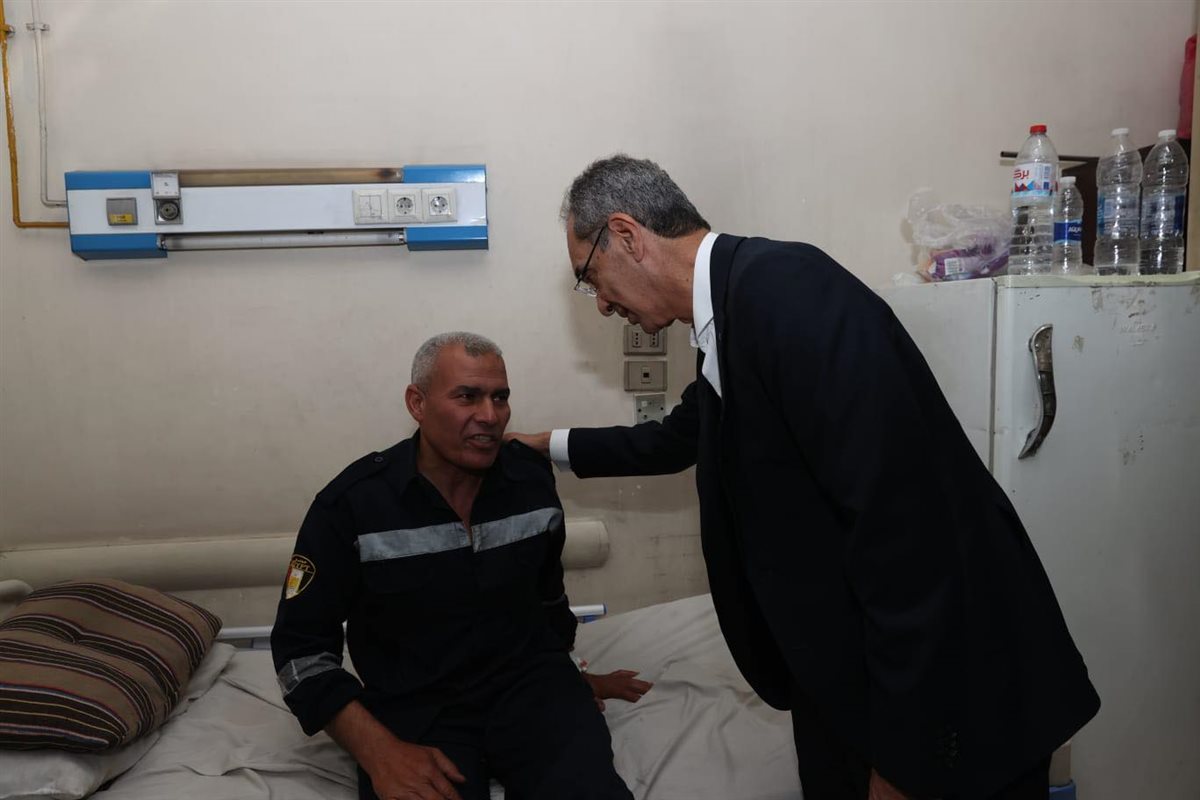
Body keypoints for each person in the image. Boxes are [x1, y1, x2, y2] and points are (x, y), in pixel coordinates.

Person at [508, 156, 1100, 800]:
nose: (600, 304)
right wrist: (547, 447)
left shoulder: (789, 296)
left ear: (626, 235)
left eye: (591, 277)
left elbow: (905, 537)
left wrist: (904, 763)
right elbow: (677, 437)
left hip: (949, 691)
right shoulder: (732, 314)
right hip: (845, 674)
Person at [271, 332, 649, 800]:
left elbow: (547, 599)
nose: (490, 416)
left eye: (500, 397)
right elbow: (300, 651)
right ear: (417, 403)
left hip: (534, 696)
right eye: (467, 397)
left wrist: (571, 681)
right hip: (417, 713)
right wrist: (379, 752)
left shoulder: (530, 483)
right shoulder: (353, 506)